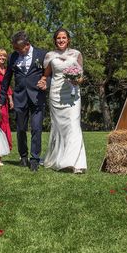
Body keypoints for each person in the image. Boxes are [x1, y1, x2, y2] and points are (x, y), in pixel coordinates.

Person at [37, 28, 87, 173]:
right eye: (58, 38)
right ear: (55, 40)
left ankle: (74, 162)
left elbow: (81, 75)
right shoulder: (50, 56)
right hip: (56, 94)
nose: (61, 40)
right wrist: (42, 81)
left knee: (73, 124)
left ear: (68, 39)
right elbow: (46, 75)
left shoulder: (76, 54)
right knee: (59, 127)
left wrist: (78, 80)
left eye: (64, 38)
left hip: (72, 95)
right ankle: (58, 157)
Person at [0, 31, 47, 172]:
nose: (17, 51)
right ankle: (23, 156)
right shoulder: (13, 57)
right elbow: (6, 79)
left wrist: (46, 82)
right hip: (20, 97)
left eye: (19, 49)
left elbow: (49, 74)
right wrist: (1, 99)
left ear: (27, 45)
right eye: (15, 49)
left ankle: (35, 159)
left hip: (37, 96)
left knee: (36, 128)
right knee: (20, 129)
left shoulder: (41, 54)